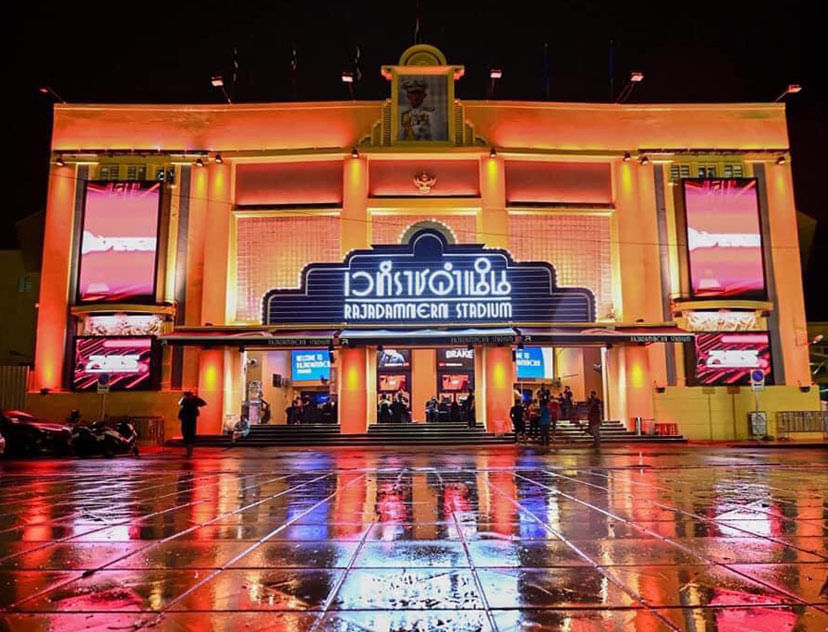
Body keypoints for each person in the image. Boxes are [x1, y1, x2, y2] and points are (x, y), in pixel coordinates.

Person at [178, 391, 206, 458]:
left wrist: (194, 398)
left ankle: (189, 452)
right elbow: (179, 403)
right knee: (187, 435)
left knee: (189, 436)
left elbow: (203, 403)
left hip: (190, 420)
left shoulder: (192, 401)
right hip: (187, 419)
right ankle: (189, 452)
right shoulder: (186, 400)